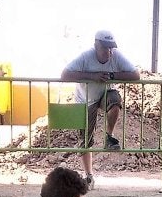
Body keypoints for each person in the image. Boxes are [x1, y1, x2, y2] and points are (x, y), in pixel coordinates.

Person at [60, 30, 140, 189]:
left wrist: (111, 76)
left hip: (105, 94)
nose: (109, 52)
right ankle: (89, 175)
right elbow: (65, 75)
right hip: (86, 100)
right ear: (96, 45)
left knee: (115, 100)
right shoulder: (85, 57)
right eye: (105, 48)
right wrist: (92, 76)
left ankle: (109, 137)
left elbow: (135, 75)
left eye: (111, 48)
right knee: (85, 140)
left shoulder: (116, 55)